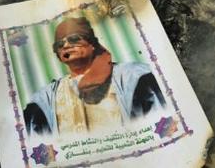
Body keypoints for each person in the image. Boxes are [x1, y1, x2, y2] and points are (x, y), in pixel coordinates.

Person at [23, 17, 166, 136]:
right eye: (60, 44)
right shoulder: (46, 98)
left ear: (92, 44)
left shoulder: (132, 76)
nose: (66, 45)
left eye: (73, 39)